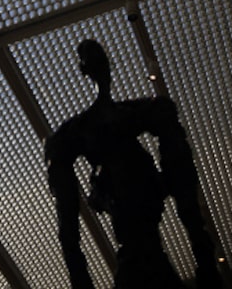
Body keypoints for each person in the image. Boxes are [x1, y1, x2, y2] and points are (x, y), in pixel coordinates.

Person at [45, 40, 222, 289]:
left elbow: (175, 152)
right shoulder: (76, 132)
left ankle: (201, 250)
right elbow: (67, 217)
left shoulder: (136, 112)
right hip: (128, 220)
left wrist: (203, 253)